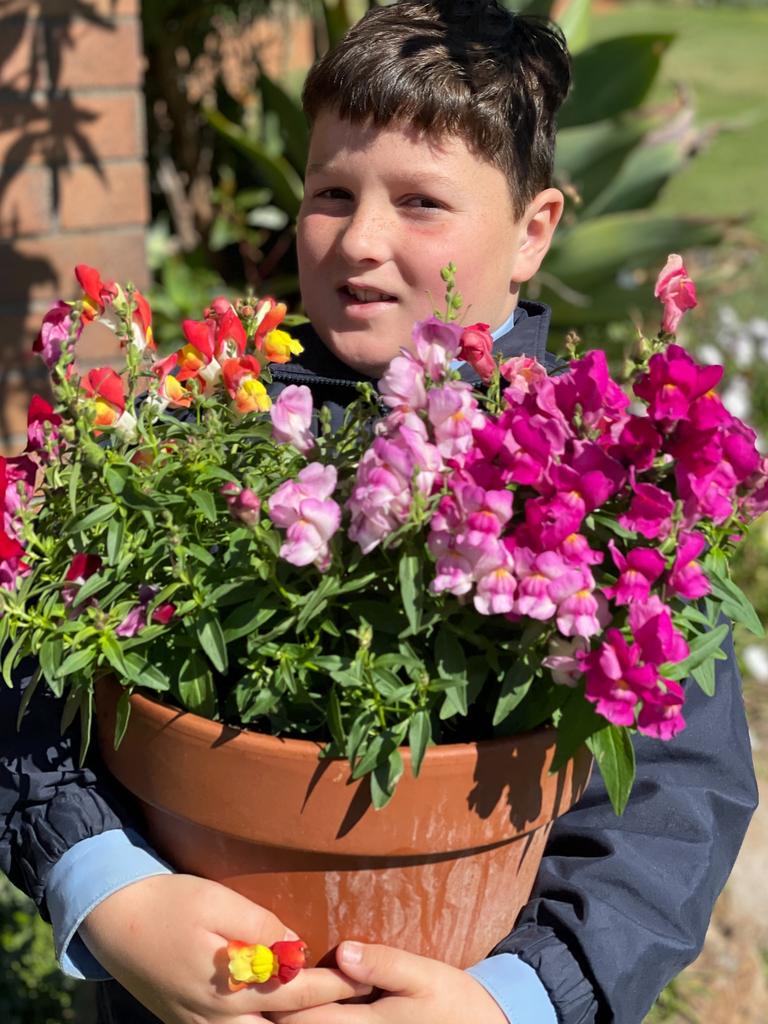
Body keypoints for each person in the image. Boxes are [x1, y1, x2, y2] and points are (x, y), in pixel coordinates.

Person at [0, 3, 757, 1023]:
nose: (359, 238)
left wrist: (514, 998)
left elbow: (677, 801)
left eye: (421, 202)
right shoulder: (199, 431)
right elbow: (30, 692)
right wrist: (109, 888)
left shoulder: (611, 488)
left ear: (534, 231)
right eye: (330, 192)